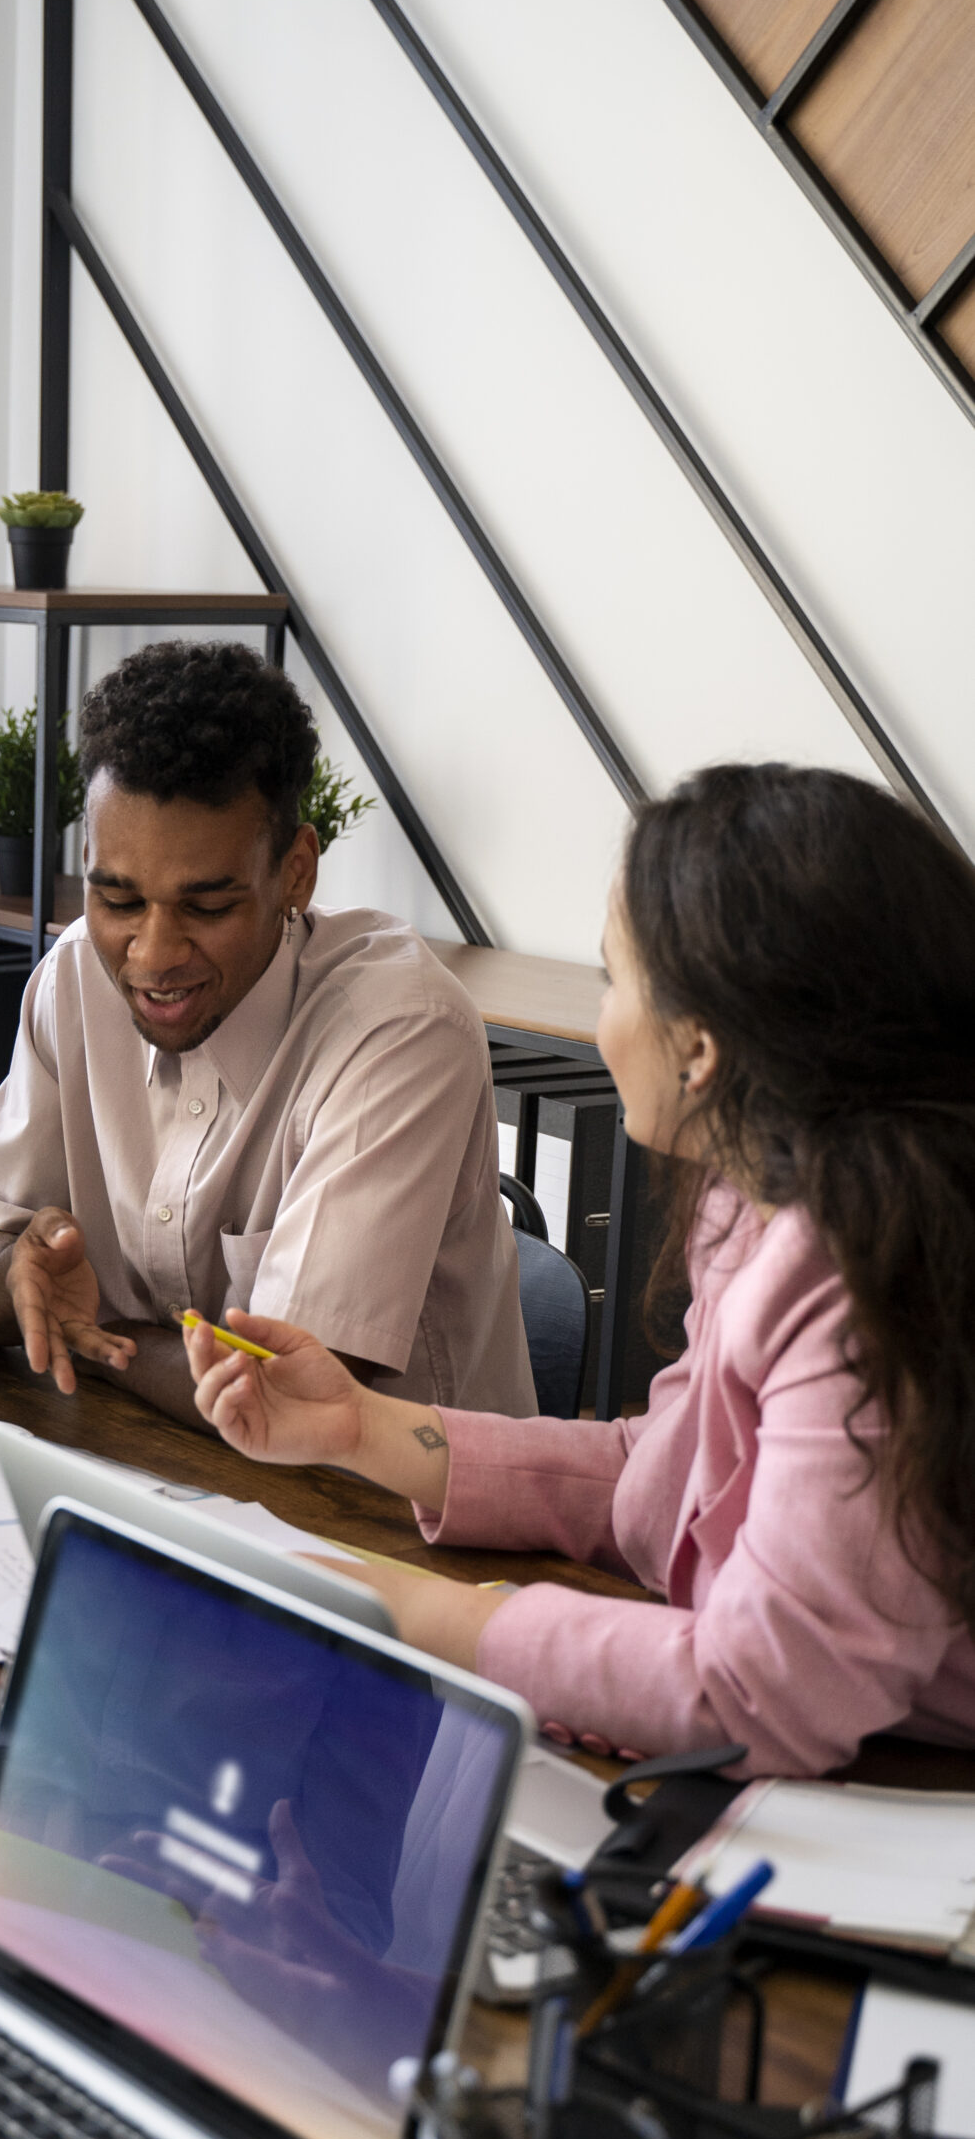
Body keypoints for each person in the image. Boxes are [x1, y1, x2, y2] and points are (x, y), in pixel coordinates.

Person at [185, 762, 975, 1781]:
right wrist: (357, 1427)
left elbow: (761, 1693)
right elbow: (668, 1475)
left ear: (699, 1048)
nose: (604, 1019)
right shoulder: (754, 1201)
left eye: (614, 979)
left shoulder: (873, 1284)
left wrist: (437, 1617)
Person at [0, 640, 533, 1428]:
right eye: (117, 900)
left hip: (400, 1521)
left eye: (207, 907)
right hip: (165, 1462)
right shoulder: (73, 977)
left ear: (295, 872)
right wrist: (17, 1269)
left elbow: (285, 1396)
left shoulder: (399, 1029)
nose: (150, 955)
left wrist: (94, 1338)